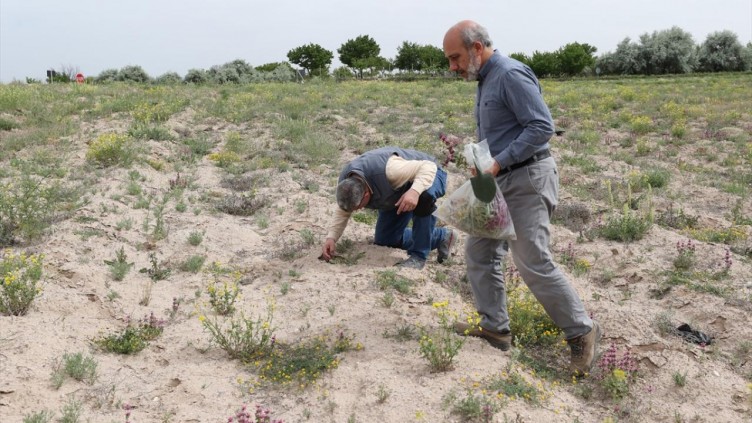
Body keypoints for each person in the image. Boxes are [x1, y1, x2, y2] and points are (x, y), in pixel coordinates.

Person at [442, 20, 600, 376]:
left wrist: (499, 161)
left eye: (455, 57)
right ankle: (495, 329)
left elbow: (542, 127)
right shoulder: (485, 80)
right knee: (480, 252)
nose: (452, 67)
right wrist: (480, 159)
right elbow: (507, 130)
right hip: (500, 180)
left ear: (477, 48)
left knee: (532, 260)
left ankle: (582, 331)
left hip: (528, 179)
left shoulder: (510, 74)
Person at [321, 147, 456, 270]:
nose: (355, 210)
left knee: (424, 197)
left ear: (366, 194)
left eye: (357, 207)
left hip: (429, 173)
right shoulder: (347, 183)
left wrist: (414, 191)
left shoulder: (391, 171)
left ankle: (418, 256)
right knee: (386, 240)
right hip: (397, 190)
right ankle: (442, 237)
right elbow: (343, 210)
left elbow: (428, 167)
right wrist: (331, 238)